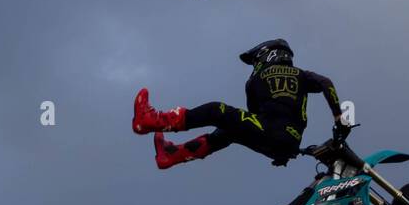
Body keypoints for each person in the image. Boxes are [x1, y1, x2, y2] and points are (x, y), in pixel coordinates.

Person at [132, 39, 343, 169]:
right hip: (289, 143)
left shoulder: (253, 81)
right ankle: (172, 155)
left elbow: (253, 111)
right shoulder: (301, 75)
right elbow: (326, 82)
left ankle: (153, 121)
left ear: (267, 55)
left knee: (218, 111)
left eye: (255, 60)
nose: (254, 65)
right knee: (228, 130)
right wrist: (338, 117)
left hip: (270, 131)